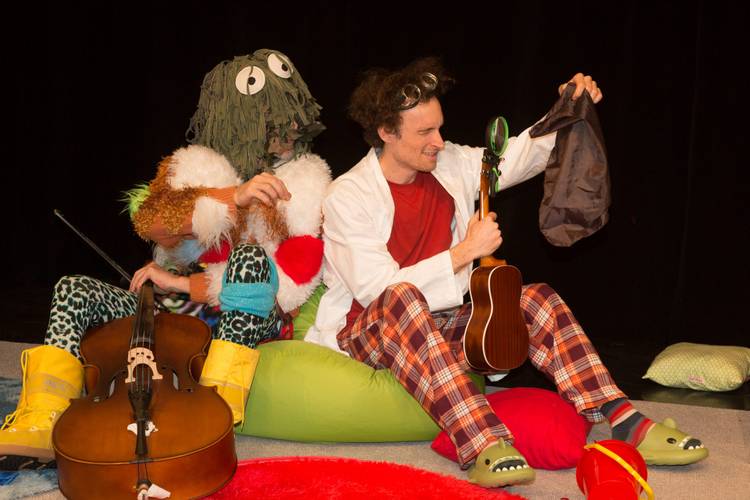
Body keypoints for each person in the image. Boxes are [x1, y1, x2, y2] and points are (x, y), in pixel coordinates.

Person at [304, 57, 708, 488]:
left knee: (535, 300)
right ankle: (483, 443)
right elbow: (378, 290)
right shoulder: (347, 195)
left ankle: (623, 418)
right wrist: (464, 252)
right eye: (425, 133)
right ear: (386, 132)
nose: (439, 142)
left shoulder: (449, 164)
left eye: (440, 128)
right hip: (369, 333)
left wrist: (567, 107)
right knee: (402, 297)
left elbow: (517, 155)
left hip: (438, 326)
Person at [0, 49, 330, 470]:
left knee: (249, 259)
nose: (290, 131)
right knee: (73, 289)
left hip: (246, 317)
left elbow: (291, 285)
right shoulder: (199, 166)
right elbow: (151, 220)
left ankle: (215, 409)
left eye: (290, 121)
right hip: (173, 312)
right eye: (274, 122)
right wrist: (233, 198)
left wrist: (181, 284)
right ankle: (43, 418)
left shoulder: (307, 181)